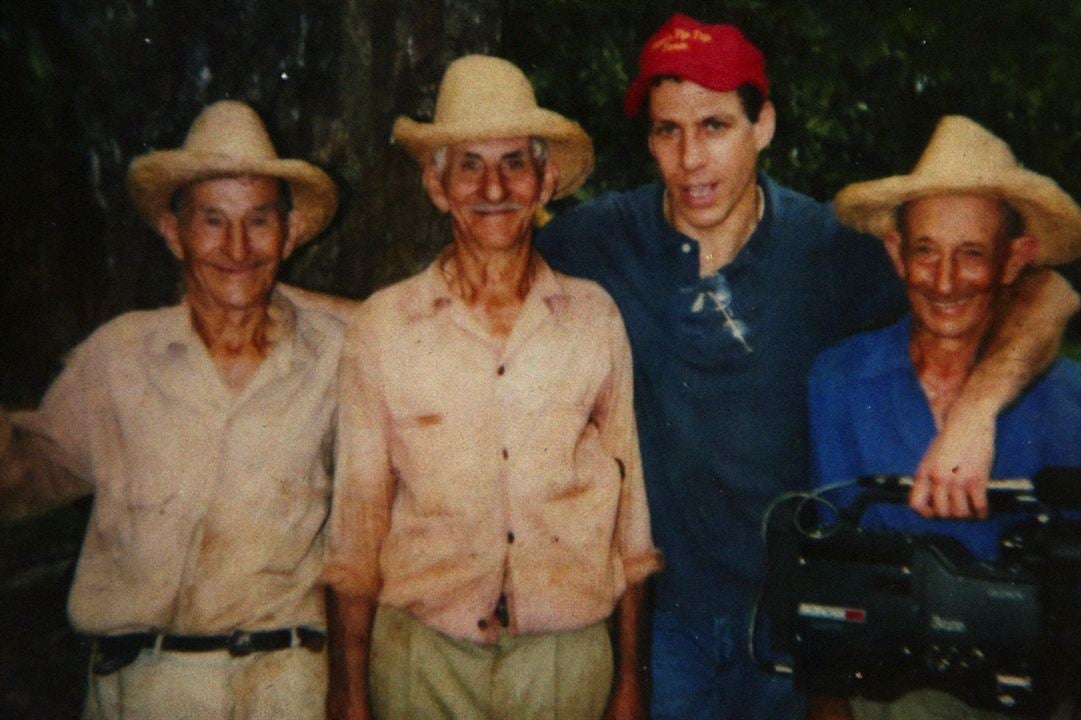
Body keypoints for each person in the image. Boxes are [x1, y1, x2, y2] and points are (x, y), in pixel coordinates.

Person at [532, 13, 1080, 719]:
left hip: (798, 609)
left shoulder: (827, 248)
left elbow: (1043, 289)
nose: (690, 159)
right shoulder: (602, 239)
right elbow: (472, 285)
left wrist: (975, 411)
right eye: (668, 130)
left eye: (714, 126)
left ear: (762, 127)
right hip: (661, 617)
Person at [323, 55, 661, 720]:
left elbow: (632, 525)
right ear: (435, 183)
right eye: (468, 164)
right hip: (423, 657)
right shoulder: (383, 327)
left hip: (564, 661)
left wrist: (630, 681)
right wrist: (348, 691)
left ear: (545, 179)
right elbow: (354, 536)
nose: (493, 186)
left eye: (514, 162)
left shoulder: (593, 318)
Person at [0, 100, 342, 719]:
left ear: (289, 234)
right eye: (212, 220)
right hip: (144, 687)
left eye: (259, 221)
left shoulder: (339, 353)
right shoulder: (118, 356)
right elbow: (30, 474)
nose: (236, 246)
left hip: (285, 686)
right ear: (172, 232)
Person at [808, 115, 1081, 720]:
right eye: (925, 251)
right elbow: (826, 570)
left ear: (1016, 260)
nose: (947, 281)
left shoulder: (1067, 398)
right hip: (886, 695)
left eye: (973, 254)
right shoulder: (840, 381)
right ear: (895, 253)